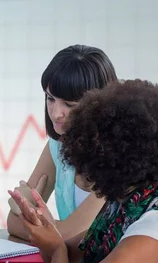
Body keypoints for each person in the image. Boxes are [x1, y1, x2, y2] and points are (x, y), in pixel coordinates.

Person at [11, 79, 158, 263]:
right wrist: (48, 236)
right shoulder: (128, 203)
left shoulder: (157, 228)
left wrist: (55, 247)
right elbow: (70, 256)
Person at [7, 45, 118, 240]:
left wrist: (32, 215)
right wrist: (49, 228)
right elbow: (12, 224)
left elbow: (69, 236)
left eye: (69, 104)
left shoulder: (122, 160)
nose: (56, 113)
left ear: (100, 105)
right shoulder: (57, 148)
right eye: (50, 98)